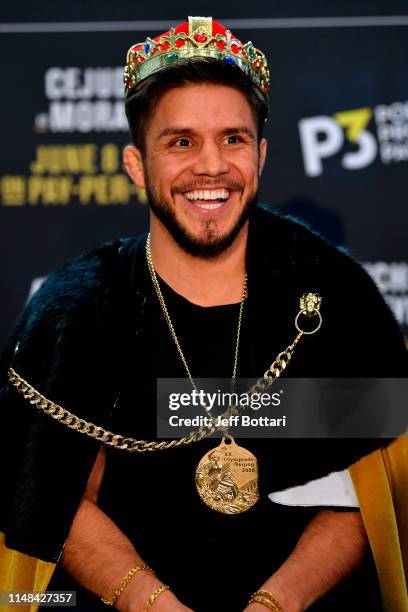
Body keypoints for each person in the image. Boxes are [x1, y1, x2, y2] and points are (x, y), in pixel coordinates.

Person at [0, 16, 407, 612]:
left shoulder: (334, 295)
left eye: (233, 139)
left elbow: (367, 485)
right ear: (138, 165)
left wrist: (275, 604)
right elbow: (53, 494)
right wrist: (157, 607)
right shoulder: (77, 311)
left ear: (262, 155)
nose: (211, 167)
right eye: (181, 141)